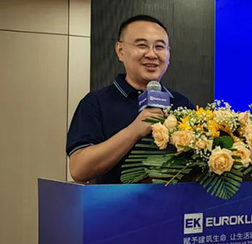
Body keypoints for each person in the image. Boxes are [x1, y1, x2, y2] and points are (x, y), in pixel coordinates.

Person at [67, 15, 194, 183]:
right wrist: (134, 131)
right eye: (142, 45)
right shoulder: (96, 103)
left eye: (159, 47)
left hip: (177, 200)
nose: (152, 54)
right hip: (115, 200)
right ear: (120, 51)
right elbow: (79, 169)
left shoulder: (182, 104)